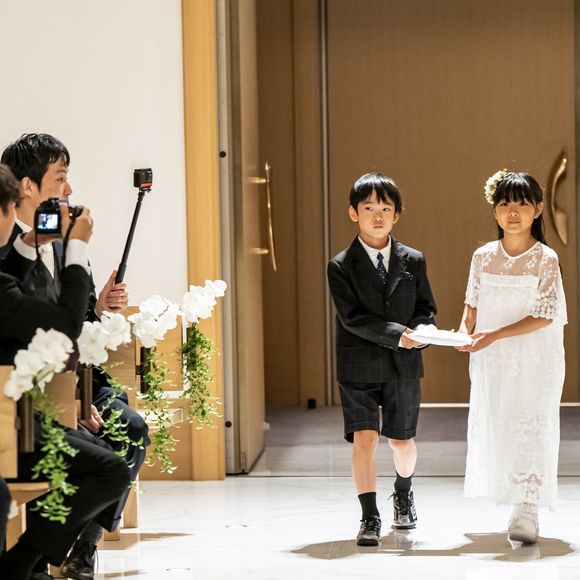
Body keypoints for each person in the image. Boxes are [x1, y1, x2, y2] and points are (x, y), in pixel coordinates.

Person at [0, 134, 150, 578]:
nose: (69, 190)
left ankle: (79, 546)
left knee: (127, 430)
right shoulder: (9, 253)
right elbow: (46, 325)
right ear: (27, 188)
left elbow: (76, 315)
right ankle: (31, 562)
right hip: (31, 397)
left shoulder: (52, 244)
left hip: (69, 382)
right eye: (60, 178)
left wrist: (99, 307)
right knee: (101, 460)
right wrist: (66, 402)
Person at [456, 171, 566, 544]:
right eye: (504, 204)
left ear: (538, 209)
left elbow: (546, 314)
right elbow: (471, 305)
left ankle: (528, 508)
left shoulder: (545, 259)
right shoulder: (482, 256)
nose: (513, 212)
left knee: (530, 423)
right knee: (501, 422)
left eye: (522, 204)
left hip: (536, 359)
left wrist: (494, 334)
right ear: (495, 210)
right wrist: (464, 331)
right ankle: (513, 501)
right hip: (493, 359)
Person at [327, 172, 436, 546]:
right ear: (353, 213)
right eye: (369, 207)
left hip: (403, 364)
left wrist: (420, 332)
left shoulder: (413, 260)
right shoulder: (341, 265)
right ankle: (369, 516)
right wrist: (399, 335)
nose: (377, 215)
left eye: (385, 209)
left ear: (396, 215)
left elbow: (425, 308)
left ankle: (403, 493)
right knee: (365, 438)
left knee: (402, 442)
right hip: (357, 363)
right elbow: (351, 318)